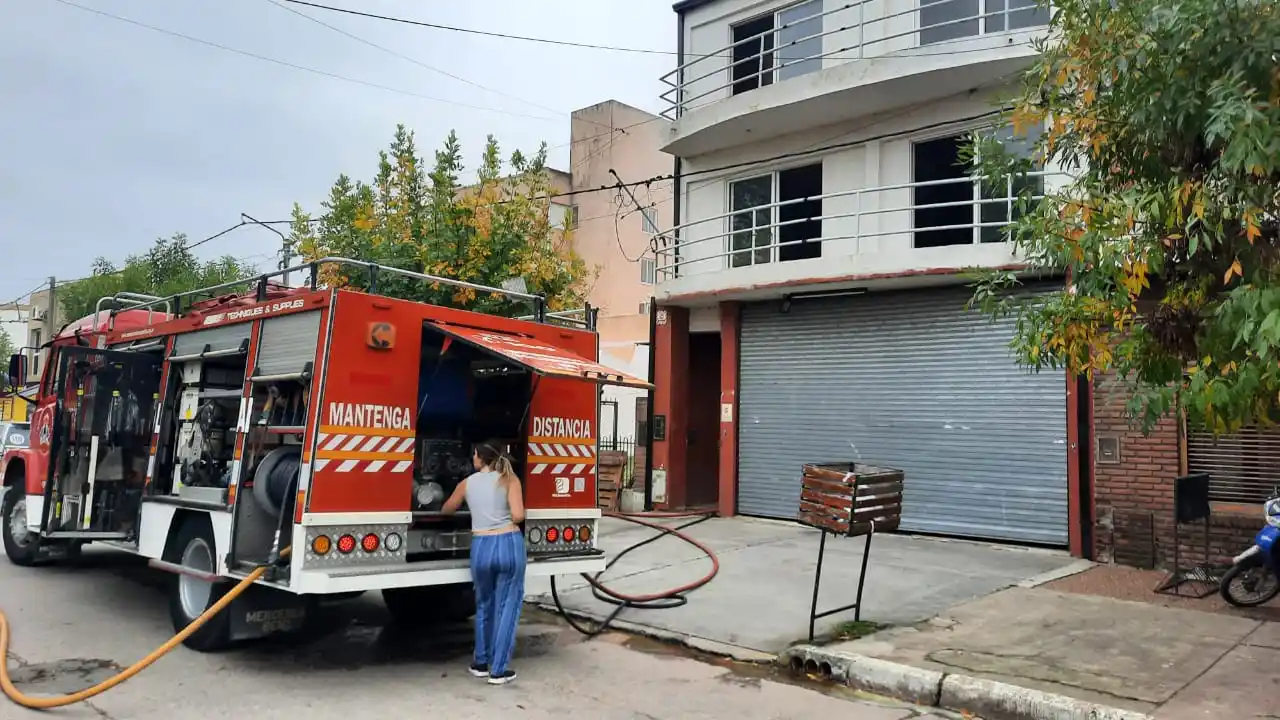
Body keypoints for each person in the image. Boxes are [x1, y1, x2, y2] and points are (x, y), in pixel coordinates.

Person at [441, 440, 526, 685]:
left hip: (481, 546)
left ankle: (480, 662)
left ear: (479, 458)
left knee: (483, 605)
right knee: (507, 606)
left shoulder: (467, 483)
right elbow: (518, 515)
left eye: (474, 455)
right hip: (508, 542)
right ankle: (498, 670)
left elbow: (447, 509)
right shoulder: (509, 479)